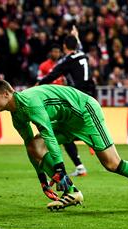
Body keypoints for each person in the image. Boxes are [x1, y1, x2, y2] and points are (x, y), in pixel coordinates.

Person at [0, 79, 128, 210]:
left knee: (112, 164)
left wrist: (59, 168)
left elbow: (49, 135)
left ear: (7, 93)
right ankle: (72, 192)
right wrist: (42, 180)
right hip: (66, 120)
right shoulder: (16, 116)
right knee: (35, 146)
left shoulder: (30, 103)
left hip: (84, 112)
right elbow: (31, 148)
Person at [37, 26, 95, 177]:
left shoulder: (67, 61)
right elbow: (78, 47)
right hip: (90, 96)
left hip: (77, 100)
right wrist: (76, 36)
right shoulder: (83, 55)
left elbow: (52, 75)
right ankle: (87, 146)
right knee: (67, 131)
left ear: (64, 47)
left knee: (63, 131)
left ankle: (88, 141)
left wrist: (37, 86)